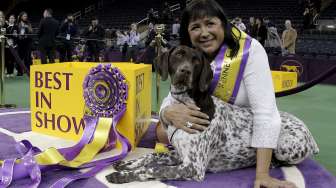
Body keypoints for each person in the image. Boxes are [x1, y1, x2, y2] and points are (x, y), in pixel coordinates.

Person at [157, 0, 314, 187]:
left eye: (210, 24)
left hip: (246, 128)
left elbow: (266, 113)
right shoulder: (190, 54)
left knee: (287, 149)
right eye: (195, 27)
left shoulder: (250, 50)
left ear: (223, 24)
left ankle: (260, 156)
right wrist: (166, 112)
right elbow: (175, 95)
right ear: (188, 33)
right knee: (162, 132)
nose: (204, 33)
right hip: (215, 126)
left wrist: (262, 174)